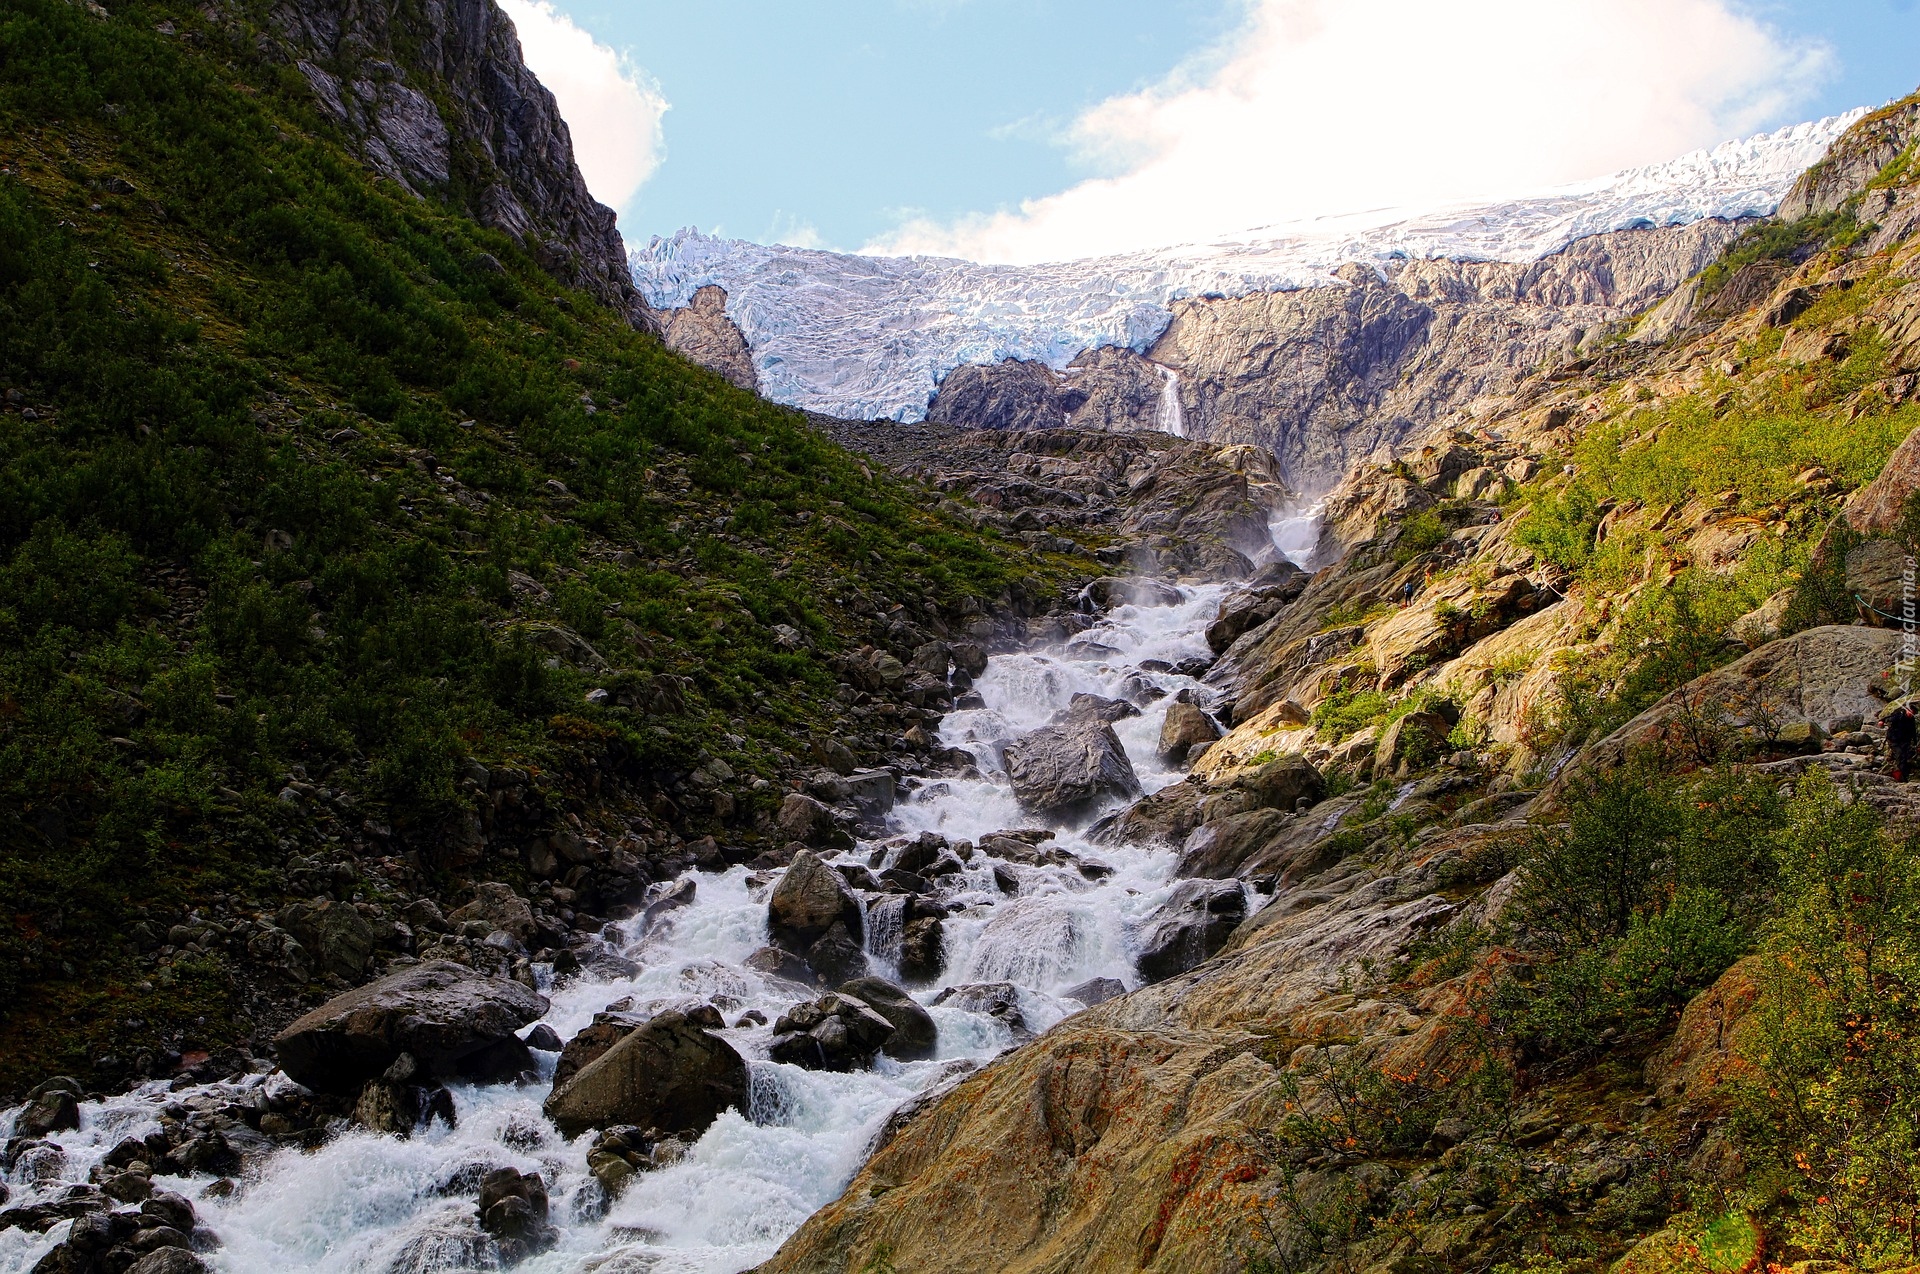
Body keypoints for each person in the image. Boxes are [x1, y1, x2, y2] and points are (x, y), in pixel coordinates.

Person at [1888, 702, 1917, 782]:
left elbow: (1913, 731)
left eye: (1913, 713)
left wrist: (1915, 743)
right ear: (1907, 710)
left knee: (1908, 756)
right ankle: (1900, 777)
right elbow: (1889, 720)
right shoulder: (1898, 715)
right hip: (1894, 740)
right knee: (1900, 756)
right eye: (1910, 712)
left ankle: (1904, 775)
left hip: (1905, 740)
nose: (1911, 714)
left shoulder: (1911, 720)